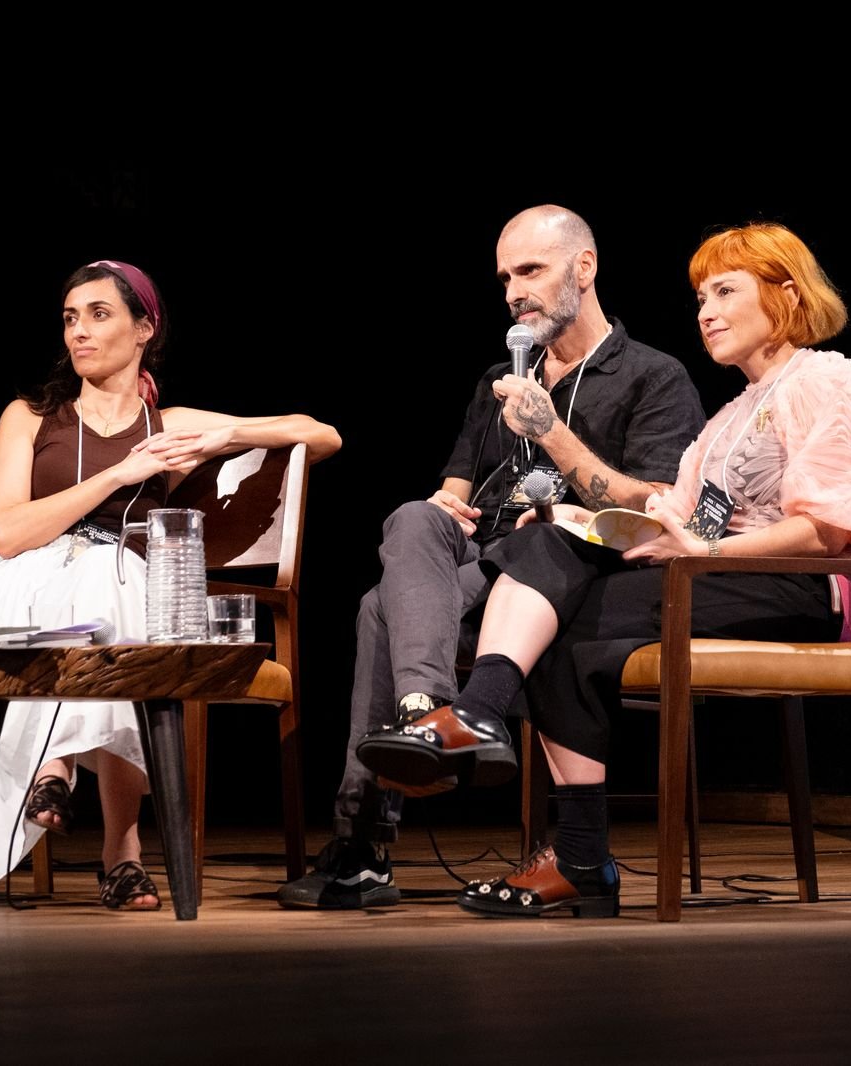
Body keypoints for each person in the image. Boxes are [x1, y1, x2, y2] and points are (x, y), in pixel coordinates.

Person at [361, 222, 851, 918]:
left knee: (554, 600)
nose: (705, 312)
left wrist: (703, 552)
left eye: (725, 292)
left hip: (797, 587)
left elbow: (827, 530)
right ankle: (581, 858)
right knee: (552, 601)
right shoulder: (730, 416)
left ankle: (479, 716)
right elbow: (678, 514)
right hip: (712, 576)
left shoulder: (827, 380)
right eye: (700, 297)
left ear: (787, 294)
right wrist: (580, 520)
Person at [277, 206, 705, 909]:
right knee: (414, 517)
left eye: (530, 270)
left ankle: (364, 843)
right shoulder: (497, 380)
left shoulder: (653, 376)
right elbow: (454, 493)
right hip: (480, 560)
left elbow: (657, 509)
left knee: (379, 608)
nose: (513, 291)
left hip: (566, 571)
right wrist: (446, 506)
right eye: (504, 277)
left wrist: (551, 431)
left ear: (585, 268)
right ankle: (427, 708)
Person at [0, 259, 341, 910]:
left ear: (144, 328)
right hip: (25, 587)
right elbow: (7, 534)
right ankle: (119, 853)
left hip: (127, 591)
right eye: (70, 318)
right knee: (105, 588)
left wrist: (225, 435)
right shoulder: (29, 416)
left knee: (113, 583)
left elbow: (322, 436)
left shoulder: (166, 424)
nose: (79, 331)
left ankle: (55, 768)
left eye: (99, 315)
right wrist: (118, 475)